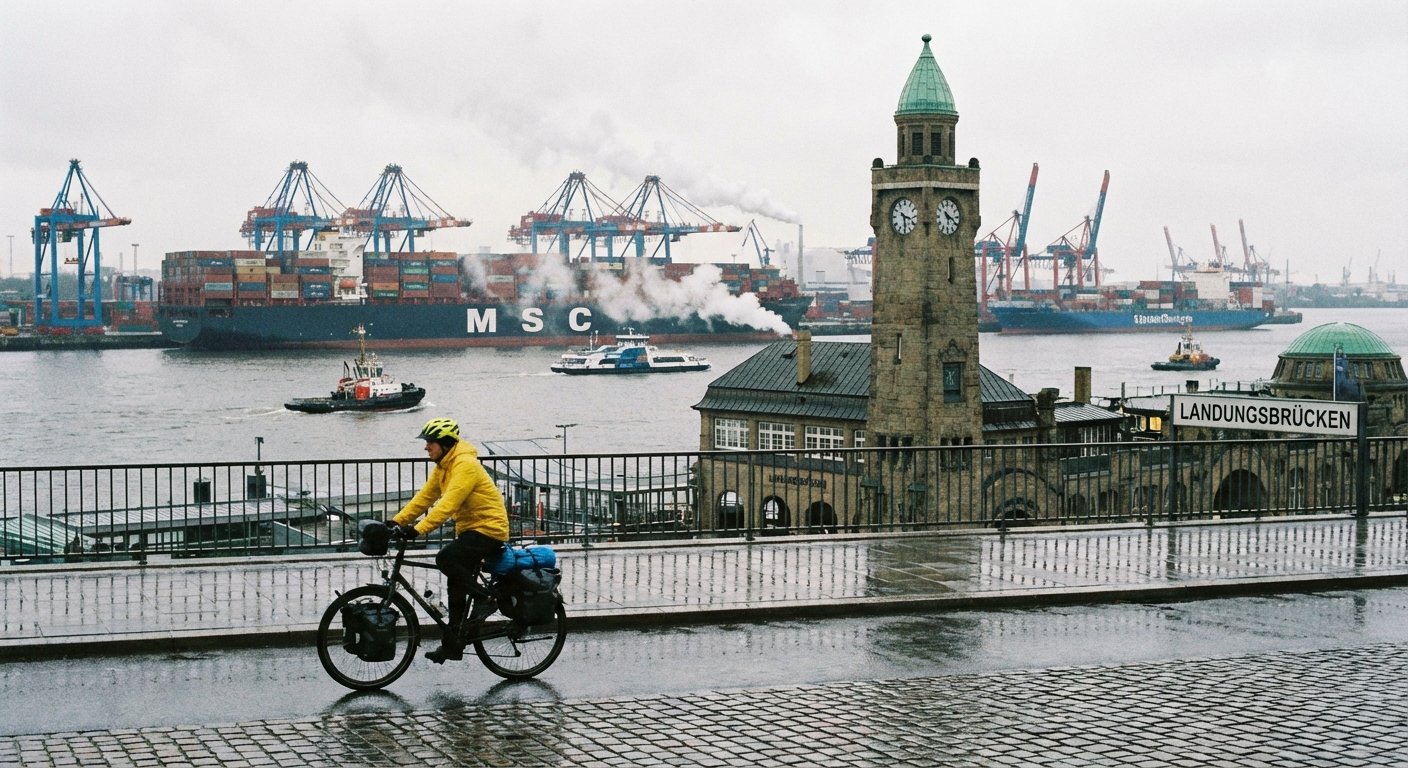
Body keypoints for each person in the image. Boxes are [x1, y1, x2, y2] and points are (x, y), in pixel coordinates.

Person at [388, 417, 510, 663]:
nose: (426, 447)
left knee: (445, 558)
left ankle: (486, 598)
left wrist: (417, 530)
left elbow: (448, 504)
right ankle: (453, 646)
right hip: (470, 530)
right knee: (455, 588)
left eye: (430, 442)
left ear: (444, 443)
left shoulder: (465, 465)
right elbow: (424, 498)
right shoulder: (444, 466)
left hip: (489, 529)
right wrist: (396, 522)